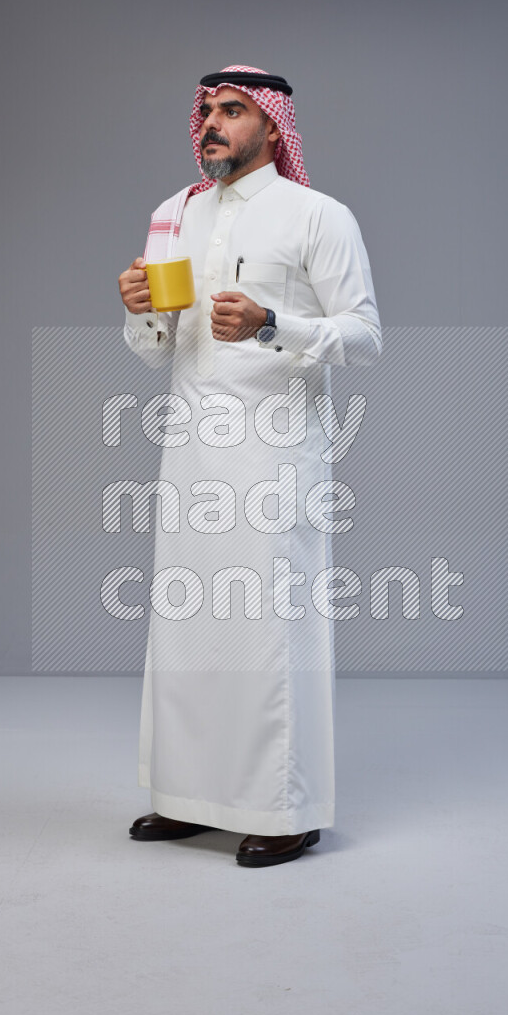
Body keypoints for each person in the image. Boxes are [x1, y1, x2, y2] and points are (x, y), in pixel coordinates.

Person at [118, 65, 381, 867]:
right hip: (191, 454)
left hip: (276, 458)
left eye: (232, 110)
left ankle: (283, 808)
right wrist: (141, 314)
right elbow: (161, 350)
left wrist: (274, 326)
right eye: (206, 110)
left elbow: (367, 336)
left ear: (273, 125)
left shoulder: (317, 216)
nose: (213, 124)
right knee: (189, 627)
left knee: (270, 629)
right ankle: (185, 797)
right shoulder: (175, 215)